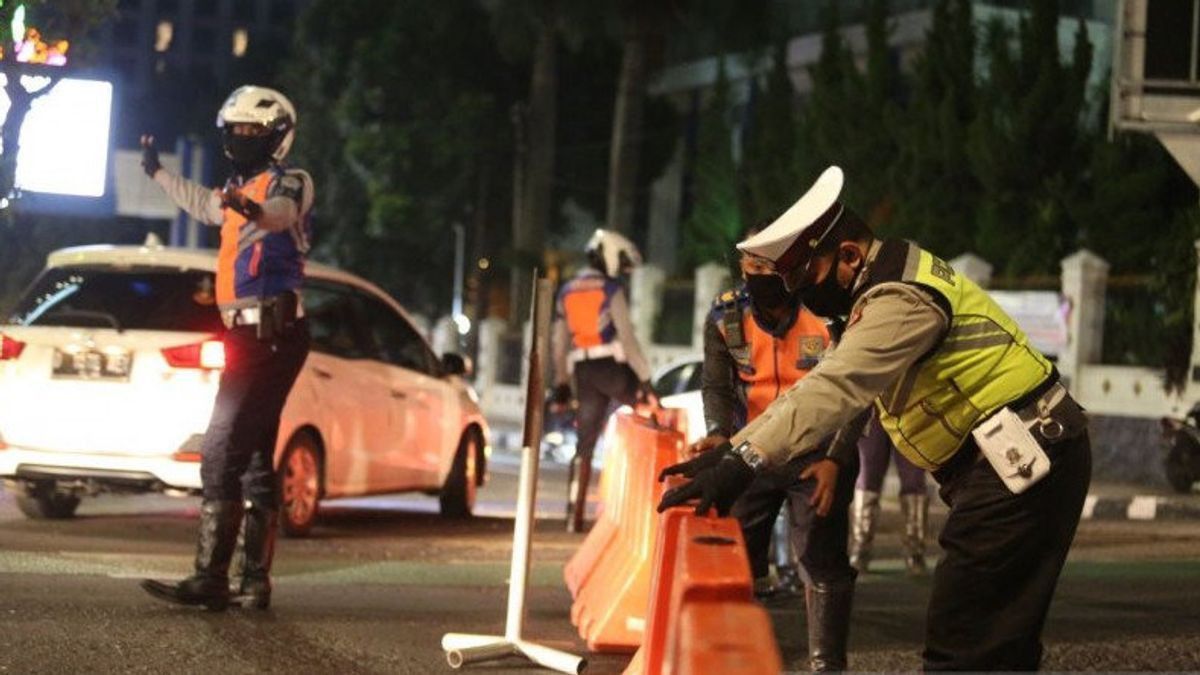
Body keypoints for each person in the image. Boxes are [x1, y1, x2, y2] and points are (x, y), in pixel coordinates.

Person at [659, 166, 1091, 670]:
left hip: (1022, 460)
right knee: (996, 647)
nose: (801, 294)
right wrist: (733, 449)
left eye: (807, 278)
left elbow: (835, 386)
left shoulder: (898, 298)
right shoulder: (882, 286)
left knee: (964, 646)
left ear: (847, 255)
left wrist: (741, 460)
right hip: (1016, 458)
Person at [139, 85, 314, 611]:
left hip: (272, 334)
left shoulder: (291, 182)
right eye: (234, 131)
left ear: (277, 136)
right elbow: (202, 203)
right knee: (257, 456)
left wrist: (250, 206)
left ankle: (211, 578)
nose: (240, 140)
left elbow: (278, 214)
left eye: (250, 132)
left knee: (219, 451)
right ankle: (253, 581)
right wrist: (156, 172)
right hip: (249, 334)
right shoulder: (238, 188)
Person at [690, 231, 859, 671]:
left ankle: (827, 664)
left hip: (818, 452)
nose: (761, 274)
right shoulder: (727, 316)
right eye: (752, 266)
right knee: (737, 557)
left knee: (820, 560)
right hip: (755, 450)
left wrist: (836, 459)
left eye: (770, 265)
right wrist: (716, 433)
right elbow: (718, 385)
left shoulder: (827, 314)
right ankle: (739, 658)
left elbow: (857, 391)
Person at [550, 228, 657, 533]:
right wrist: (646, 380)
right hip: (613, 370)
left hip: (584, 374)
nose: (622, 270)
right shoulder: (610, 290)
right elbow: (628, 339)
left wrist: (560, 381)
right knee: (649, 424)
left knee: (583, 446)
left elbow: (559, 344)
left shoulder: (567, 290)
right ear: (611, 255)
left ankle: (575, 514)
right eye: (622, 263)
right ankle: (645, 504)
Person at [851, 409, 930, 575]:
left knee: (914, 480)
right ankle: (861, 546)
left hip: (910, 410)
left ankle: (915, 550)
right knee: (867, 479)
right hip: (873, 409)